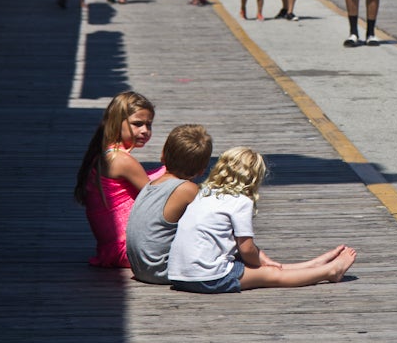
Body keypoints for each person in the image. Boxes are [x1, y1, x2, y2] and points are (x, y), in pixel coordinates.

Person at [168, 147, 356, 293]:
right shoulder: (240, 201)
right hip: (207, 278)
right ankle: (329, 272)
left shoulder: (205, 194)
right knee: (270, 275)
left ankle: (311, 266)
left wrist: (263, 259)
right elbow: (247, 249)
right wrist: (262, 264)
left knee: (262, 266)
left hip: (179, 275)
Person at [74, 91, 164, 269]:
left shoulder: (107, 153)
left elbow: (147, 183)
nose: (145, 131)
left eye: (149, 125)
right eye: (137, 124)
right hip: (128, 250)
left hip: (110, 249)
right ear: (117, 123)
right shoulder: (121, 160)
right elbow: (156, 199)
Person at [125, 124, 214, 285]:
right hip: (161, 270)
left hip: (140, 269)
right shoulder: (188, 190)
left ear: (162, 156)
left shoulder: (150, 184)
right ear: (202, 170)